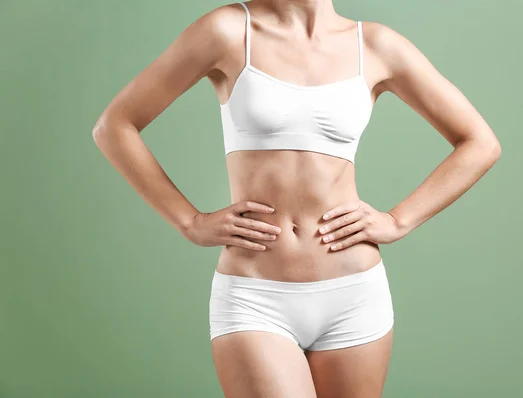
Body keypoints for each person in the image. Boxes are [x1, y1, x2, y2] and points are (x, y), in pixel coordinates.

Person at [92, 0, 501, 396]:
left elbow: (480, 143)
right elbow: (114, 126)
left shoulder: (375, 45)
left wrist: (398, 220)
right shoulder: (228, 30)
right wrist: (190, 222)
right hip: (255, 294)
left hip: (354, 292)